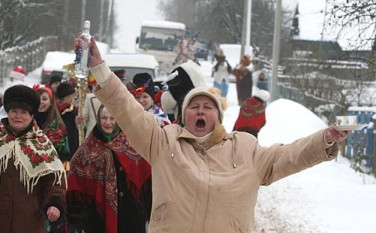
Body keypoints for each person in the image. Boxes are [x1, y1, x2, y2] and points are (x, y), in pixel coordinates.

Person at [78, 37, 352, 233]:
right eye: (194, 107)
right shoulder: (163, 142)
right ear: (184, 116)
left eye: (207, 107)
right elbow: (129, 111)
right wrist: (101, 69)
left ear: (218, 117)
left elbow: (290, 155)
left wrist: (324, 139)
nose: (200, 111)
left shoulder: (245, 149)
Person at [0, 85, 67, 233]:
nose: (18, 116)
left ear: (32, 116)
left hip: (27, 222)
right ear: (8, 113)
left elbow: (54, 181)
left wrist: (54, 204)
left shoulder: (42, 144)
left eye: (23, 112)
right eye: (14, 111)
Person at [67, 105, 152, 233]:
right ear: (98, 119)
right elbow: (76, 180)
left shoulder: (130, 142)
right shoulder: (88, 147)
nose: (108, 123)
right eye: (104, 118)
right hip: (99, 217)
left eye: (112, 118)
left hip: (131, 213)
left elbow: (144, 173)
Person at [56, 82, 79, 169]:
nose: (74, 98)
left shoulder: (70, 109)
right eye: (73, 96)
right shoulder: (68, 110)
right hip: (67, 145)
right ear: (67, 97)